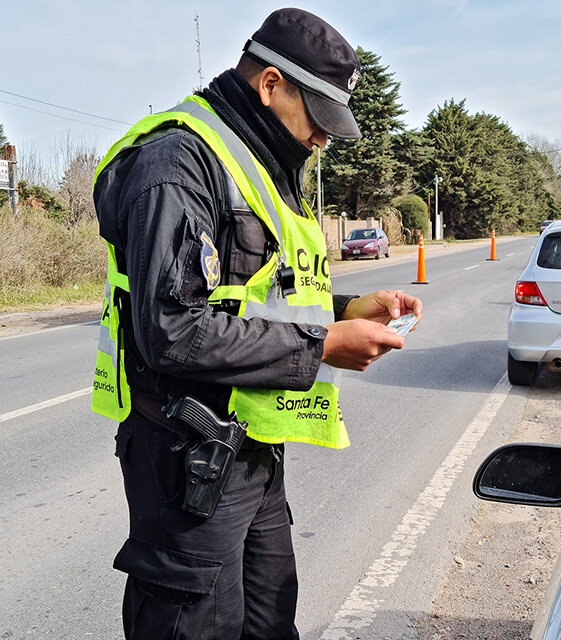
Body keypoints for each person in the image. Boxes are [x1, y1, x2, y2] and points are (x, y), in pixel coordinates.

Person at [91, 9, 422, 639]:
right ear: (271, 85)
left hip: (251, 453)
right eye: (319, 121)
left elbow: (258, 293)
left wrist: (347, 309)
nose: (323, 140)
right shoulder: (179, 163)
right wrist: (323, 345)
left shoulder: (258, 161)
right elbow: (174, 330)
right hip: (189, 456)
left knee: (269, 624)